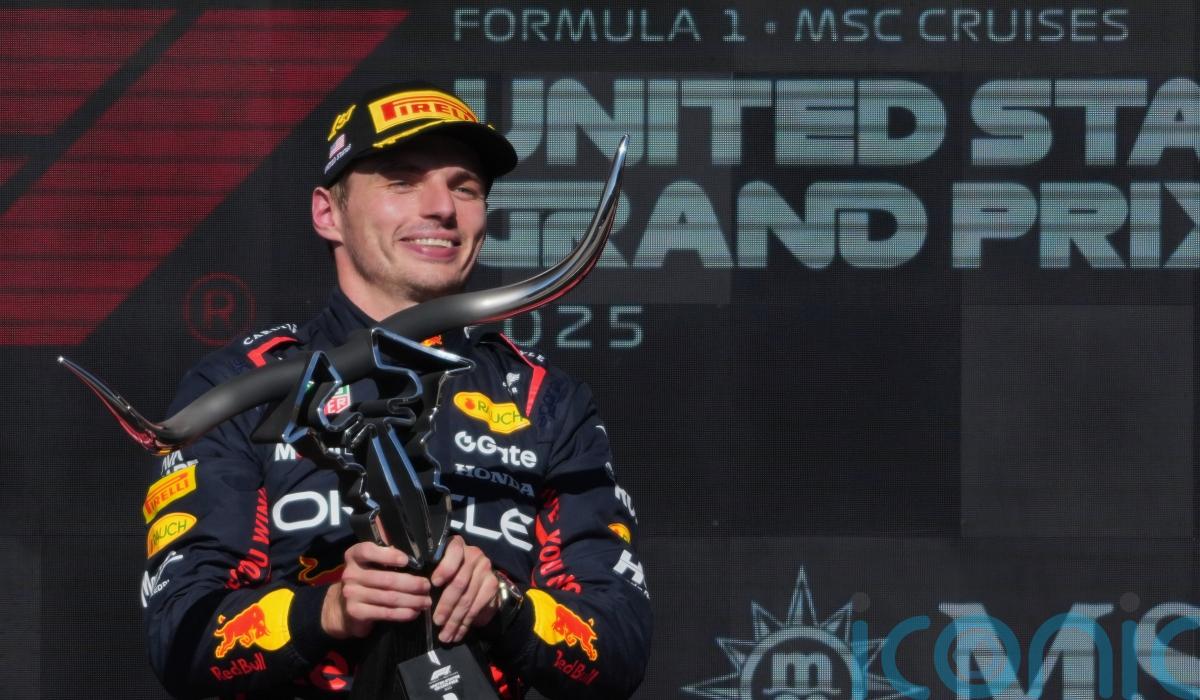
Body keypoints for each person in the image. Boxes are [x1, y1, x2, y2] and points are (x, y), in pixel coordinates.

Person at [140, 81, 651, 699]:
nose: (442, 207)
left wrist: (504, 606)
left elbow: (620, 650)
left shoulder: (547, 400)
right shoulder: (242, 385)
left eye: (465, 187)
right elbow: (179, 637)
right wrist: (327, 611)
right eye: (403, 181)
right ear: (328, 213)